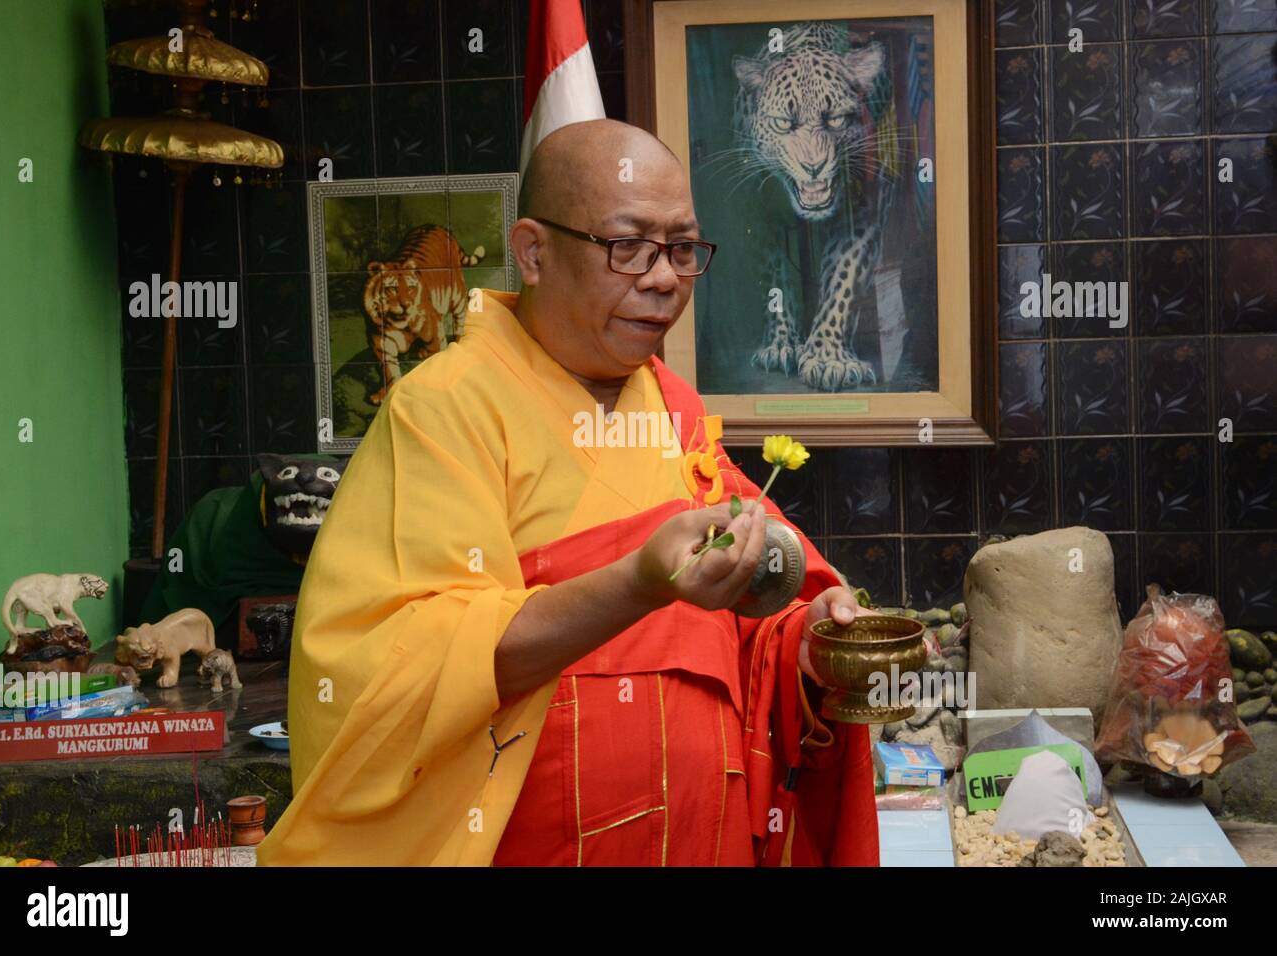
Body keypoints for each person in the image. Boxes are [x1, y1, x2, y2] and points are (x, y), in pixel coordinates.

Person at [256, 119, 879, 867]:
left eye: (682, 249)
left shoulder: (674, 412)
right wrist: (637, 583)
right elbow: (394, 669)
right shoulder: (447, 410)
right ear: (533, 251)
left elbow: (744, 636)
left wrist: (807, 643)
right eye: (628, 246)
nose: (662, 277)